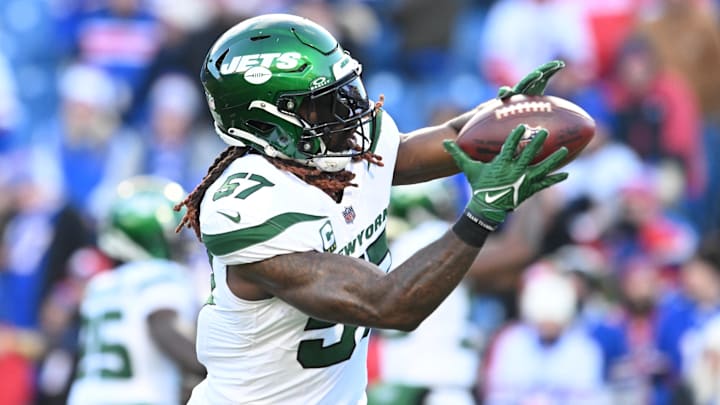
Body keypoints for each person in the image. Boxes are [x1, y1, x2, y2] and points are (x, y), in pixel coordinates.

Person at [174, 13, 570, 405]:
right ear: (266, 123)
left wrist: (506, 115)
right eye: (326, 103)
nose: (350, 112)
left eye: (346, 91)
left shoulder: (344, 155)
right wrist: (483, 213)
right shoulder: (250, 206)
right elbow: (388, 303)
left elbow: (454, 140)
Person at [67, 176, 206, 405]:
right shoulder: (162, 275)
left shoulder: (101, 285)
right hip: (140, 397)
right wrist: (213, 367)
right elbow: (163, 327)